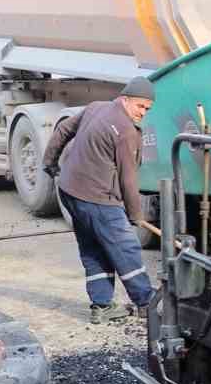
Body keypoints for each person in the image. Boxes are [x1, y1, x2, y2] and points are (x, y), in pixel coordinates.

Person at [44, 78, 155, 323]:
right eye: (140, 106)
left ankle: (101, 306)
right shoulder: (126, 131)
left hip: (70, 191)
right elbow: (128, 179)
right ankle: (147, 302)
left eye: (147, 109)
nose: (143, 113)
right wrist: (136, 215)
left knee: (93, 248)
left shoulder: (95, 107)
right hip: (98, 198)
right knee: (126, 249)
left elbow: (63, 130)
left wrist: (49, 162)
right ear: (125, 99)